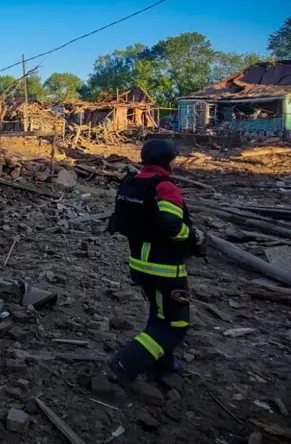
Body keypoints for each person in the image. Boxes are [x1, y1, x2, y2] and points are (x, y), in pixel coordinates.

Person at [106, 139, 205, 394]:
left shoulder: (133, 183)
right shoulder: (164, 186)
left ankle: (164, 363)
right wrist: (195, 236)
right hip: (164, 268)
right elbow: (172, 227)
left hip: (139, 263)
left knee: (158, 315)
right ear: (167, 161)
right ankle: (125, 362)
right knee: (174, 325)